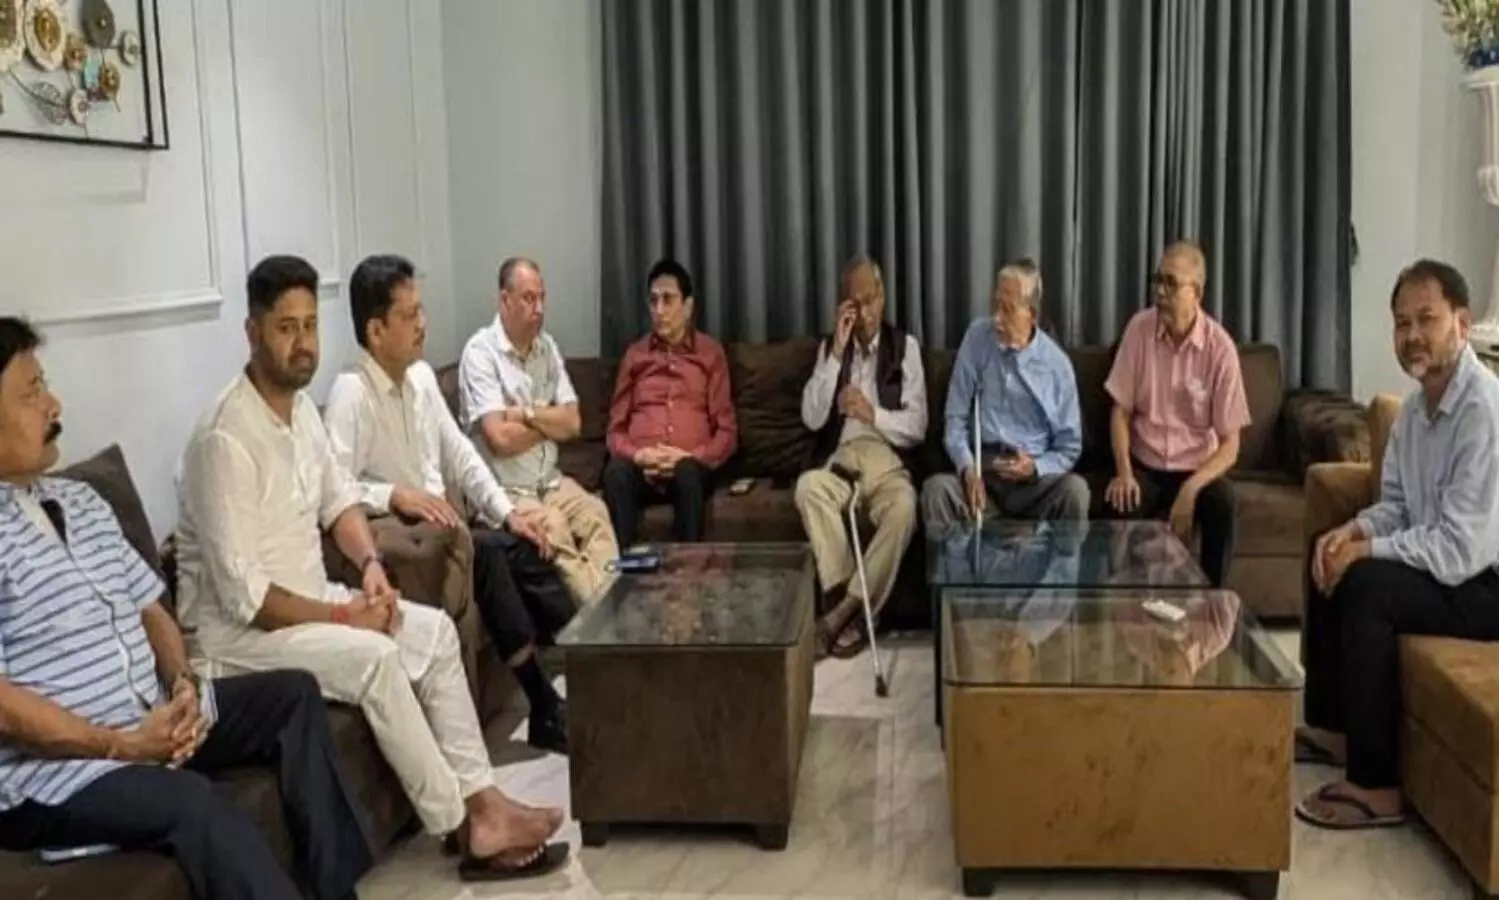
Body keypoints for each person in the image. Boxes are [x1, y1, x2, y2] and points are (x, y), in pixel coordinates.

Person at [174, 256, 568, 882]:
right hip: (239, 641)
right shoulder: (224, 439)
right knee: (378, 658)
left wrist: (371, 568)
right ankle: (466, 823)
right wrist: (344, 617)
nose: (303, 343)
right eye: (286, 328)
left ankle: (483, 798)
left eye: (310, 325)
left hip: (311, 605)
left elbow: (339, 503)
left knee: (433, 634)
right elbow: (249, 600)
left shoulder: (300, 412)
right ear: (252, 333)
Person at [0, 317, 373, 900]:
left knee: (293, 696)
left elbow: (151, 606)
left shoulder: (80, 499)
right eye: (30, 393)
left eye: (45, 384)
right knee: (195, 804)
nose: (54, 404)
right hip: (63, 770)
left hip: (152, 716)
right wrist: (121, 744)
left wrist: (181, 683)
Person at [323, 254, 573, 755]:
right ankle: (545, 706)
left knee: (530, 547)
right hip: (418, 542)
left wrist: (508, 514)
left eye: (422, 310)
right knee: (493, 557)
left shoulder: (419, 378)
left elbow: (461, 455)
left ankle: (592, 666)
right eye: (410, 315)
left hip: (454, 529)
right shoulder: (351, 393)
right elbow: (332, 488)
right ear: (375, 330)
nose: (424, 324)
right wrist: (394, 494)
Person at [1296, 259, 1499, 831]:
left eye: (1426, 320)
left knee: (1367, 586)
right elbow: (1399, 508)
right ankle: (1335, 727)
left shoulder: (1484, 412)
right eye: (1402, 323)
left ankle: (1377, 785)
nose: (1412, 336)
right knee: (1329, 551)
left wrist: (1368, 553)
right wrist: (1352, 532)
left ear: (1462, 324)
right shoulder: (1414, 411)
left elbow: (1460, 549)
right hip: (1452, 567)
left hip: (1486, 583)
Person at [459, 257, 619, 604]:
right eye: (529, 299)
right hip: (508, 491)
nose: (540, 309)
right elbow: (500, 439)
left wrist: (526, 414)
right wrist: (549, 423)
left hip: (550, 481)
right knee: (554, 526)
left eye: (542, 298)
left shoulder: (547, 347)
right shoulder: (480, 354)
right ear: (505, 300)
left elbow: (573, 423)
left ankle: (604, 612)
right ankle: (600, 618)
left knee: (595, 513)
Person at [796, 255, 926, 658]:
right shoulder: (832, 349)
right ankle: (851, 610)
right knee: (808, 487)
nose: (865, 313)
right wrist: (836, 352)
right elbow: (811, 417)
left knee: (905, 508)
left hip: (887, 461)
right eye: (856, 304)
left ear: (882, 297)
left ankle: (840, 615)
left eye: (870, 301)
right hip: (844, 460)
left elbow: (918, 425)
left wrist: (873, 414)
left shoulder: (905, 347)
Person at [1101, 241, 1249, 587]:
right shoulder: (1139, 329)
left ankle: (1211, 602)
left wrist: (1192, 489)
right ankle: (1123, 606)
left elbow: (1231, 444)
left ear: (1196, 292)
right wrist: (1124, 472)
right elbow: (1120, 412)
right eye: (1158, 281)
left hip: (1197, 469)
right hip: (1145, 466)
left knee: (1223, 504)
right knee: (1118, 502)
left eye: (1171, 283)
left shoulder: (1220, 349)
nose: (1160, 293)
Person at [921, 259, 1087, 531]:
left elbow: (1070, 446)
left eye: (1008, 310)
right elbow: (955, 418)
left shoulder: (1057, 366)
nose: (997, 319)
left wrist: (1035, 467)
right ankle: (960, 561)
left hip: (1034, 483)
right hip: (984, 473)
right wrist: (967, 469)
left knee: (1075, 492)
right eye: (996, 305)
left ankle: (1049, 559)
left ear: (1031, 314)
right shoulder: (977, 337)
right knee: (937, 491)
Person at [602, 259, 737, 549]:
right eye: (653, 301)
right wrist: (639, 455)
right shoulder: (635, 355)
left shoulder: (710, 354)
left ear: (687, 307)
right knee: (615, 474)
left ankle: (687, 570)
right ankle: (626, 569)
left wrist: (688, 457)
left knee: (688, 474)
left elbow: (726, 433)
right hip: (642, 468)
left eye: (668, 300)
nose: (659, 310)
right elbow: (615, 430)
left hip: (690, 469)